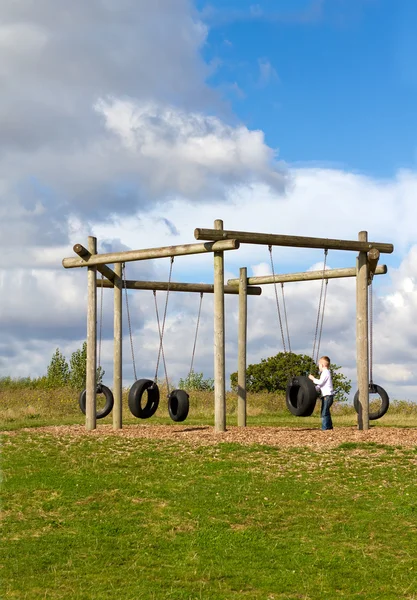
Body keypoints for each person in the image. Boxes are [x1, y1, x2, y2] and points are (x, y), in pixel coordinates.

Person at [308, 356, 334, 431]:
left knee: (324, 412)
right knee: (326, 411)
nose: (318, 366)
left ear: (322, 365)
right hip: (327, 396)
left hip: (327, 396)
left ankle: (325, 428)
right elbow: (320, 385)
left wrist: (313, 378)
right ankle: (329, 427)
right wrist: (314, 389)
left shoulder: (326, 372)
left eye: (319, 364)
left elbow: (320, 382)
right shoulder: (325, 373)